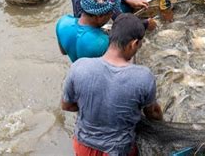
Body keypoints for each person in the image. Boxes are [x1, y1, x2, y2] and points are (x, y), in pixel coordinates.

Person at [61, 13, 163, 156]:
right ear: (133, 44)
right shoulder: (143, 76)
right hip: (118, 150)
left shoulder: (79, 66)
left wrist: (94, 108)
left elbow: (67, 105)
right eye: (139, 45)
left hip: (82, 146)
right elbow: (153, 113)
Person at [56, 0, 120, 62]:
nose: (111, 15)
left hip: (75, 68)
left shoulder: (62, 22)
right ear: (100, 16)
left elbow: (63, 52)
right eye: (111, 13)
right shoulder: (104, 43)